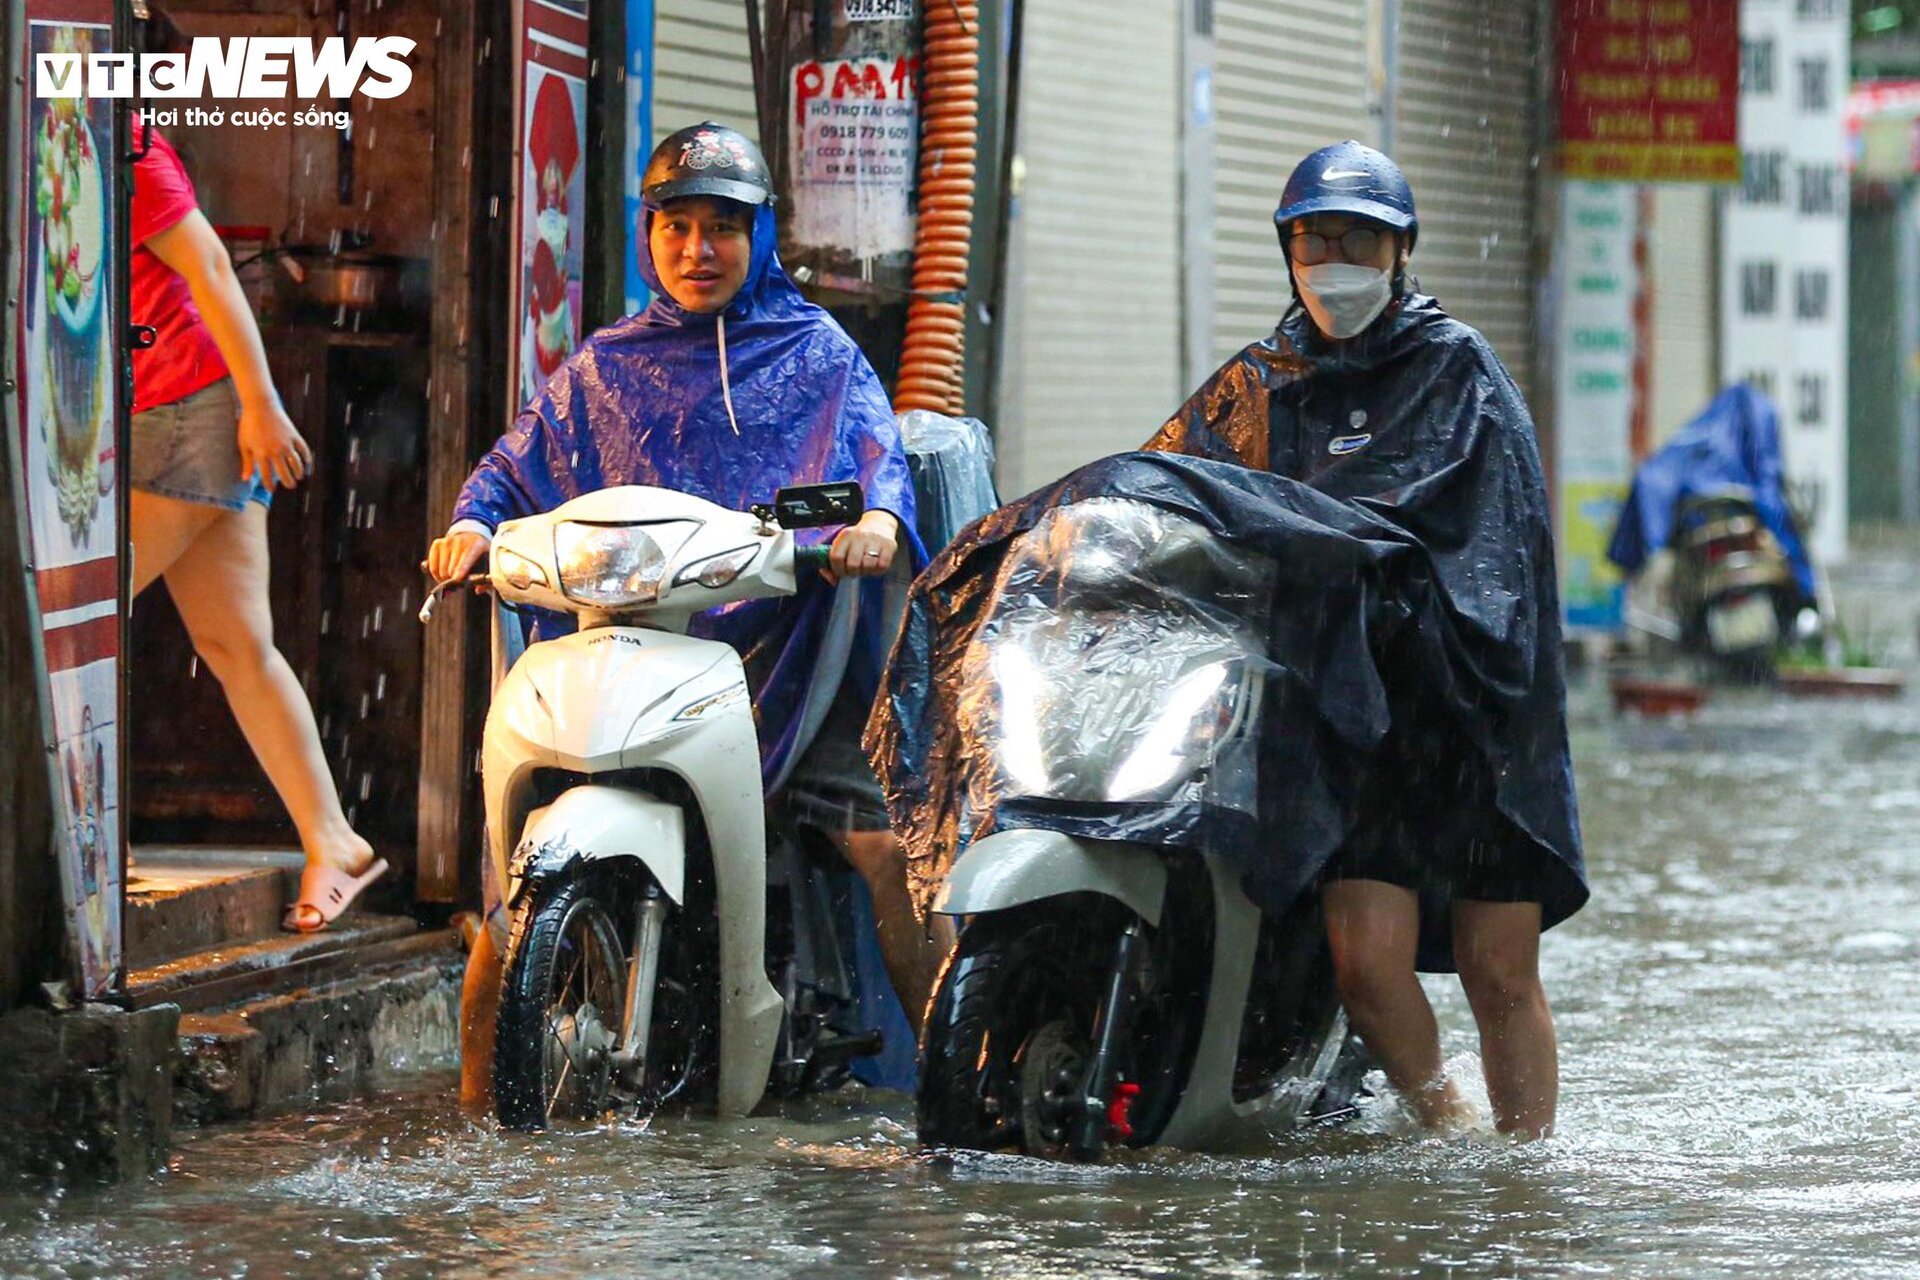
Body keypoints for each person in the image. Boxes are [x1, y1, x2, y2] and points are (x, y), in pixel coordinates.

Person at [426, 122, 956, 1106]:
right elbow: (513, 469)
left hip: (789, 654)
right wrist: (470, 527)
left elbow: (864, 474)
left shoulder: (819, 354)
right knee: (505, 893)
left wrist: (862, 520)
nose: (696, 250)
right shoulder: (604, 365)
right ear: (647, 233)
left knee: (884, 849)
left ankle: (960, 1089)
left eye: (722, 227)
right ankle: (475, 1120)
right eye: (676, 226)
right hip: (631, 650)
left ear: (761, 236)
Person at [1142, 141, 1587, 1139]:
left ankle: (1526, 1173)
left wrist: (1378, 567)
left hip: (1475, 715)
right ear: (1287, 250)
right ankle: (1452, 1126)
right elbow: (1174, 478)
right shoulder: (1265, 380)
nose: (1333, 258)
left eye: (1356, 239)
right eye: (1313, 239)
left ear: (1400, 250)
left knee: (1497, 966)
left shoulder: (1458, 368)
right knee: (1365, 965)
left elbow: (1503, 548)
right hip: (1357, 718)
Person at [128, 83, 383, 931]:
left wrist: (260, 404)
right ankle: (334, 837)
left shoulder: (122, 143)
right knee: (236, 643)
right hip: (175, 407)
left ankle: (86, 847)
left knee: (69, 626)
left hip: (187, 409)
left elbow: (206, 267)